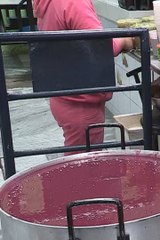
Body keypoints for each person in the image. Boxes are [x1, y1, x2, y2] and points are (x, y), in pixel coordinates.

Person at [33, 0, 135, 155]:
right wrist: (126, 41)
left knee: (78, 159)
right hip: (81, 100)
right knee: (84, 166)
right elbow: (100, 46)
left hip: (64, 95)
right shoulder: (73, 2)